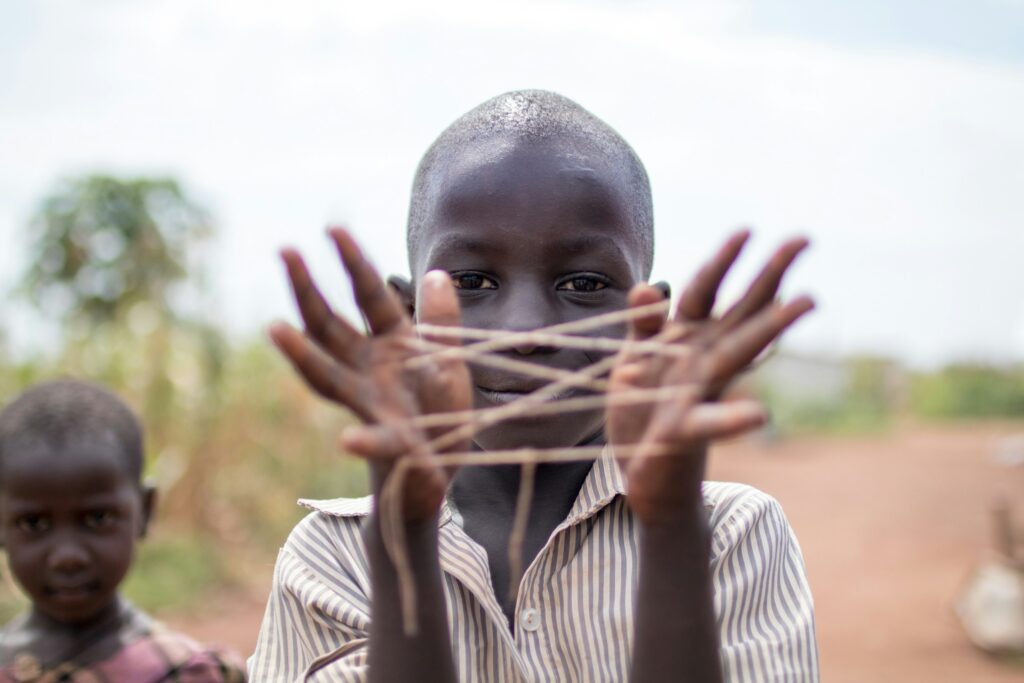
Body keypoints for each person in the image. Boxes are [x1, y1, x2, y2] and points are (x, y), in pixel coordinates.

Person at [251, 90, 819, 682]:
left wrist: (672, 524)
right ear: (406, 313)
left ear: (648, 326)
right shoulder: (332, 558)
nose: (525, 332)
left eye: (582, 283)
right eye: (472, 280)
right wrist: (406, 537)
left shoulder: (727, 535)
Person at [0, 379, 247, 682]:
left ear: (145, 511)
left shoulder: (186, 672)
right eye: (34, 523)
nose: (67, 557)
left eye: (98, 518)